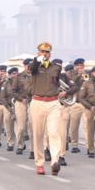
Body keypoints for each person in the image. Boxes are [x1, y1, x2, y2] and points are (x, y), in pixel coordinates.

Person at [29, 42, 63, 176]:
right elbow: (32, 69)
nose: (45, 54)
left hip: (53, 102)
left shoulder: (56, 67)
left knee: (54, 132)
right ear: (38, 52)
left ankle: (55, 161)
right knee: (38, 134)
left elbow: (59, 80)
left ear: (50, 53)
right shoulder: (35, 66)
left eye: (47, 52)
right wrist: (38, 60)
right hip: (37, 102)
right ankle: (39, 163)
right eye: (42, 51)